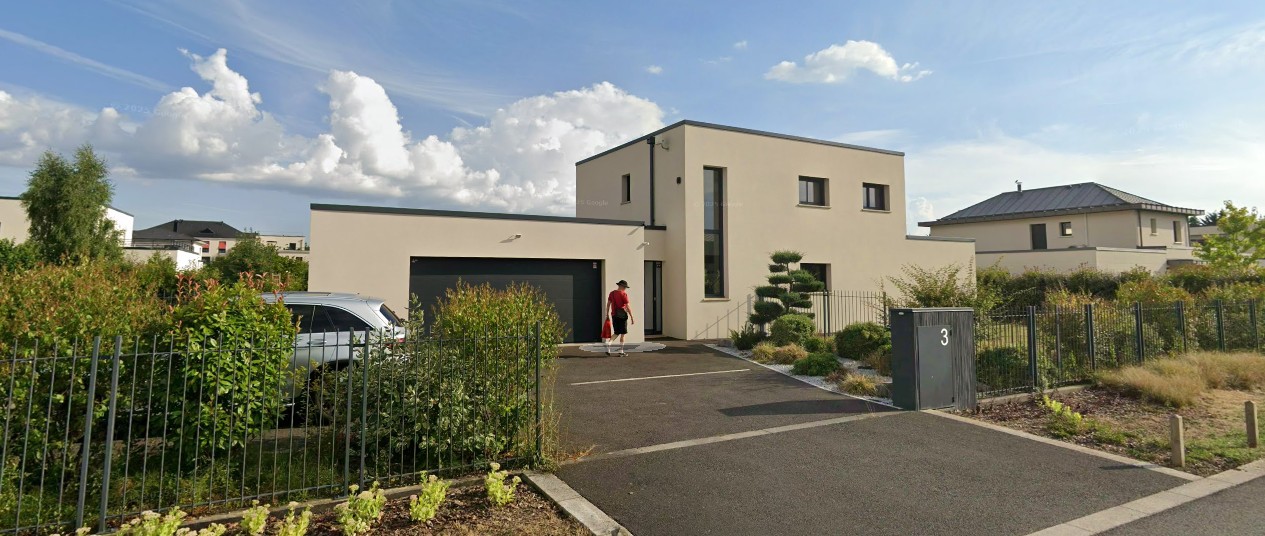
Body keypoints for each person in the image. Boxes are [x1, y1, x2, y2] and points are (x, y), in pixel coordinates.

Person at [605, 279, 636, 356]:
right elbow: (627, 306)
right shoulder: (623, 294)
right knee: (623, 333)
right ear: (621, 286)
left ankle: (609, 343)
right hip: (622, 316)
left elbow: (608, 304)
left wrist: (607, 314)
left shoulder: (612, 293)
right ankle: (621, 351)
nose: (625, 288)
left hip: (614, 315)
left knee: (616, 332)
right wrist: (632, 317)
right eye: (625, 287)